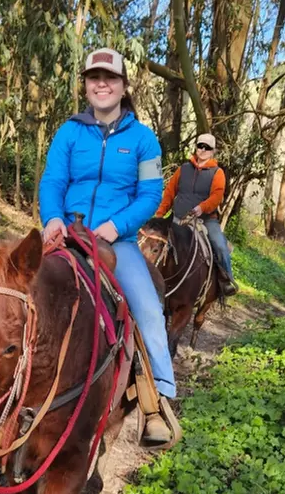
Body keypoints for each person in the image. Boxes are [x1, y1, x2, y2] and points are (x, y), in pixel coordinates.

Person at [38, 47, 177, 446]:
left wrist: (116, 228)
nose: (102, 84)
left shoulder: (143, 140)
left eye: (110, 78)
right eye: (94, 77)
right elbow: (52, 181)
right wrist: (52, 219)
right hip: (65, 234)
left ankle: (157, 404)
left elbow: (151, 194)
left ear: (123, 86)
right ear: (85, 85)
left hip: (118, 243)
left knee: (148, 309)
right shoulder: (69, 132)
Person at [156, 133, 238, 296]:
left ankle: (227, 279)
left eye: (207, 147)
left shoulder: (217, 173)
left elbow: (217, 196)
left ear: (213, 151)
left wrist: (202, 207)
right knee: (155, 242)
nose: (203, 150)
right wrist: (159, 215)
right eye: (200, 146)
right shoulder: (183, 169)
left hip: (205, 220)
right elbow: (170, 193)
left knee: (219, 245)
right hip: (178, 217)